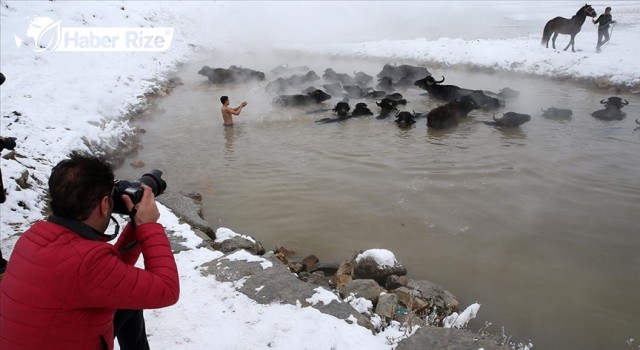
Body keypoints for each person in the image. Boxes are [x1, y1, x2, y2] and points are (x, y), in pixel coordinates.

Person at [0, 151, 180, 350]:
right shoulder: (86, 262)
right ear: (104, 205)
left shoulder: (34, 236)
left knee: (129, 302)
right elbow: (167, 290)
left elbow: (111, 276)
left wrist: (135, 226)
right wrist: (148, 226)